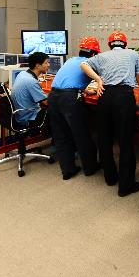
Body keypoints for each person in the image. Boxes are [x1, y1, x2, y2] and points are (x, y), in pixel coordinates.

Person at [81, 31, 139, 197]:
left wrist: (99, 80)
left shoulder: (102, 56)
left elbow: (84, 65)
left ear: (109, 45)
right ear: (125, 44)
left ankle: (110, 178)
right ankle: (126, 186)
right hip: (124, 97)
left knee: (104, 138)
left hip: (104, 96)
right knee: (125, 142)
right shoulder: (133, 54)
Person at [49, 37, 104, 181]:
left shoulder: (71, 60)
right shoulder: (90, 63)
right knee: (82, 134)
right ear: (94, 54)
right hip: (69, 99)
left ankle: (68, 170)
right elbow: (104, 80)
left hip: (53, 96)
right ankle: (90, 168)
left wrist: (85, 91)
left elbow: (72, 79)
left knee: (61, 136)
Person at [10, 52, 50, 128]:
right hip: (29, 117)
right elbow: (46, 102)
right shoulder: (31, 81)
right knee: (57, 109)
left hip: (20, 115)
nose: (48, 65)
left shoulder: (22, 74)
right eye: (46, 63)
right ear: (38, 66)